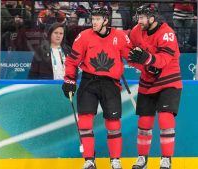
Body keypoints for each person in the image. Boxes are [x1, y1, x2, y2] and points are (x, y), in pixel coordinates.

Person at [62, 6, 131, 169]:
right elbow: (72, 61)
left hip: (110, 83)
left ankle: (115, 160)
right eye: (93, 19)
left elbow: (132, 56)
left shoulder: (120, 36)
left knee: (113, 123)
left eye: (98, 19)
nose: (94, 22)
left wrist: (147, 63)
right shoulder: (83, 36)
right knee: (85, 122)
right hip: (89, 82)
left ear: (106, 21)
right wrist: (69, 80)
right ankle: (89, 160)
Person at [128, 4, 182, 169]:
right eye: (138, 17)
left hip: (169, 80)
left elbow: (163, 61)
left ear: (152, 18)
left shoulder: (167, 34)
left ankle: (166, 159)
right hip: (147, 81)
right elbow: (131, 54)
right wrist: (143, 64)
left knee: (166, 118)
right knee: (144, 121)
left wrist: (147, 59)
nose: (139, 20)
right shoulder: (137, 31)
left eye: (142, 17)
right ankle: (142, 158)